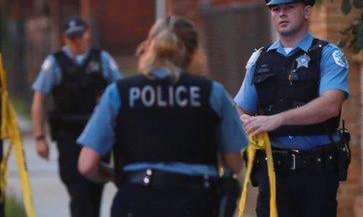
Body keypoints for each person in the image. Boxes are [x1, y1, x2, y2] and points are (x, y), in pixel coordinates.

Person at [76, 16, 248, 216]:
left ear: (150, 49)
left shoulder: (119, 92)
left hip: (136, 200)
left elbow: (86, 165)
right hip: (195, 202)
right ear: (192, 55)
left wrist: (118, 175)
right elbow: (234, 162)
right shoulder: (212, 93)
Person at [235, 0, 350, 217]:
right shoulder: (260, 58)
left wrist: (276, 120)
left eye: (289, 7)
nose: (281, 13)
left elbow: (331, 105)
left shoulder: (327, 54)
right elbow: (242, 107)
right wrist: (248, 122)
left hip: (316, 173)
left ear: (307, 11)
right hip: (273, 173)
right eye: (275, 9)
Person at [31, 15, 122, 217]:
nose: (76, 40)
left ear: (88, 34)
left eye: (79, 35)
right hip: (68, 135)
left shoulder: (103, 59)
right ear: (64, 38)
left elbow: (120, 91)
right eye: (71, 37)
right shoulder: (55, 62)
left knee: (94, 191)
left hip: (98, 134)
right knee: (78, 190)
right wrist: (39, 137)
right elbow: (39, 99)